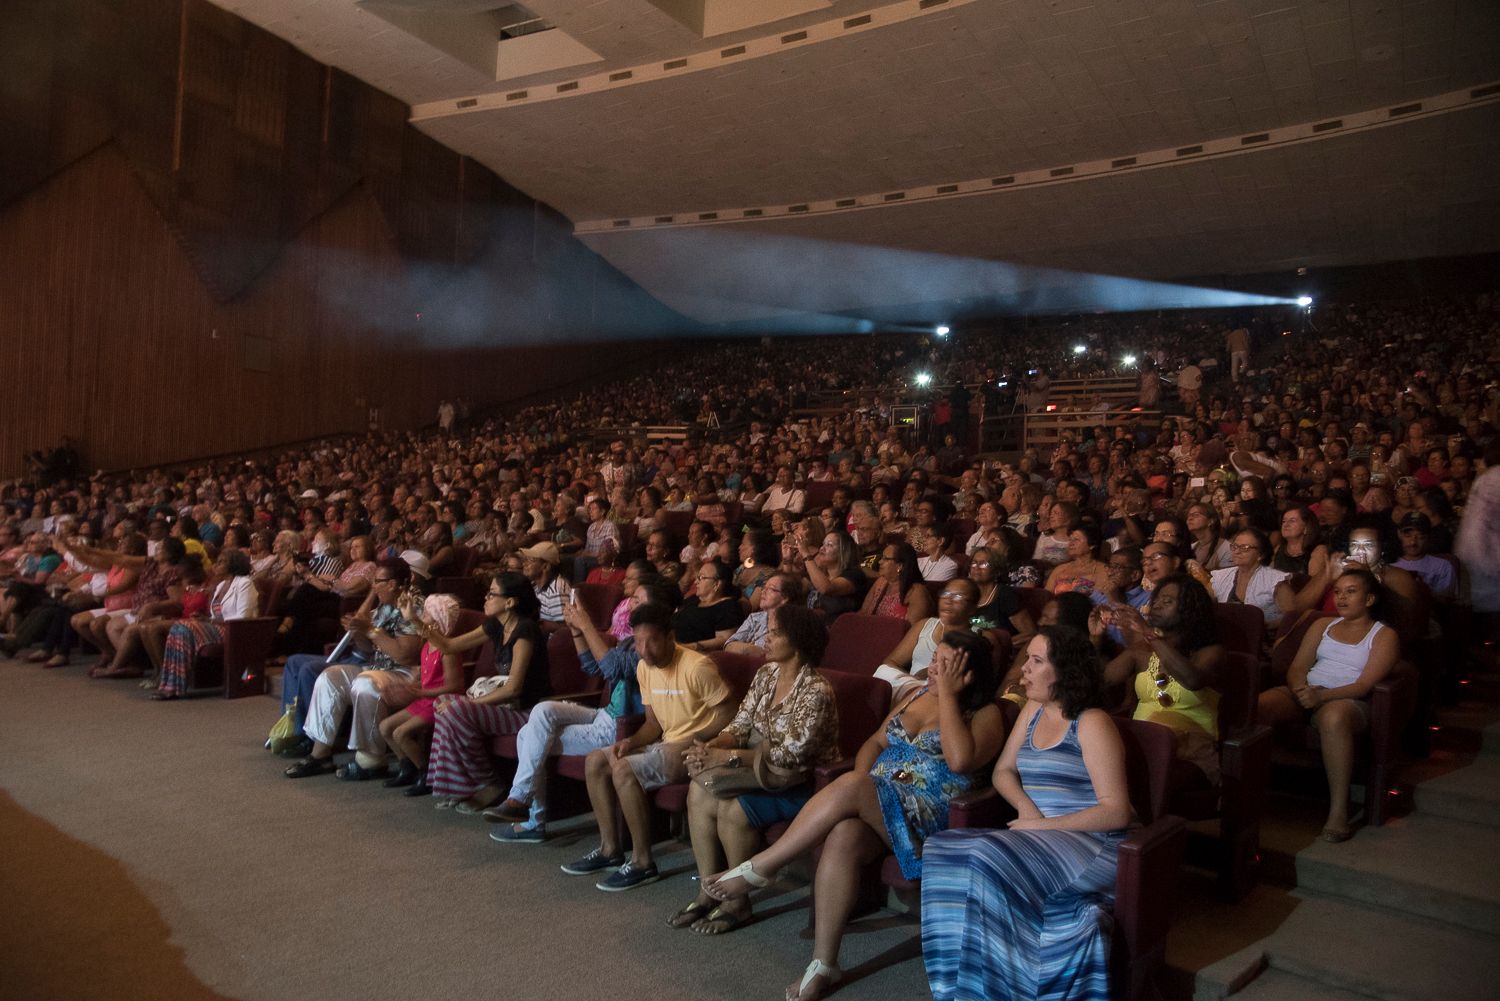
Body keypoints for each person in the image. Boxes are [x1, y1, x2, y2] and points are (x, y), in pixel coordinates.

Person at [703, 630, 1005, 1001]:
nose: (930, 668)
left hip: (929, 819)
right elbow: (875, 742)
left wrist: (951, 698)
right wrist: (868, 778)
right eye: (934, 659)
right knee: (844, 834)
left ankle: (761, 868)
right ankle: (824, 964)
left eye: (943, 664)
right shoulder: (915, 695)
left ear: (967, 673)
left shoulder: (985, 713)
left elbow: (960, 761)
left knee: (852, 786)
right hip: (881, 796)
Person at [921, 625, 1133, 1001]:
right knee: (943, 850)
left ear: (1066, 670)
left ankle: (996, 992)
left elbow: (1116, 812)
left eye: (1036, 661)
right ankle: (964, 985)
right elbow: (1003, 771)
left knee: (987, 854)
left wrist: (1043, 826)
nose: (1025, 669)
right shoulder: (1033, 709)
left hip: (1094, 845)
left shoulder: (1092, 722)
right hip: (1041, 836)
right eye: (1027, 659)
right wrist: (1028, 810)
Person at [670, 605, 840, 935]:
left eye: (775, 633)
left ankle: (738, 901)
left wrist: (730, 757)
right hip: (761, 773)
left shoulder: (816, 690)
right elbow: (741, 724)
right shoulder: (766, 675)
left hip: (801, 783)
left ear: (798, 640)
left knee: (735, 808)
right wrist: (713, 747)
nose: (766, 637)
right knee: (698, 788)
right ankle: (708, 889)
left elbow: (793, 755)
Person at [486, 576, 681, 841]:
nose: (629, 603)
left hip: (620, 725)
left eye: (638, 599)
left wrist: (587, 624)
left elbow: (613, 667)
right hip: (602, 715)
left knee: (525, 736)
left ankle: (531, 817)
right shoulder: (628, 641)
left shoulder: (651, 647)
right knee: (542, 711)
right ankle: (521, 801)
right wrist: (576, 631)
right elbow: (593, 667)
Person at [559, 601, 734, 892]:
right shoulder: (644, 668)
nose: (644, 650)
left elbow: (730, 711)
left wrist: (699, 737)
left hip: (693, 748)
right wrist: (631, 741)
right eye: (638, 642)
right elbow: (653, 724)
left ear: (669, 637)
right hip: (666, 742)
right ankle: (609, 849)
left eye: (652, 641)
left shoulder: (697, 666)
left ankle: (642, 862)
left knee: (625, 771)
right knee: (596, 761)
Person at [1256, 569, 1400, 842]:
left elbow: (1364, 685)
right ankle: (1244, 794)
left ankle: (1338, 811)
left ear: (1369, 599)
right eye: (1337, 592)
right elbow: (1298, 667)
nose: (1342, 597)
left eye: (1351, 591)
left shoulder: (1383, 635)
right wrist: (1302, 690)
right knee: (1261, 705)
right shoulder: (1322, 625)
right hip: (1307, 690)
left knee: (1333, 719)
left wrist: (1322, 697)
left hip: (1348, 698)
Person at [421, 572, 552, 810]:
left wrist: (470, 705)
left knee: (456, 709)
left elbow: (514, 688)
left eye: (492, 593)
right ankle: (460, 787)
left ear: (510, 602)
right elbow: (449, 646)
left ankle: (490, 783)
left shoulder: (526, 630)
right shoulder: (496, 625)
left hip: (526, 712)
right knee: (443, 702)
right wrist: (416, 621)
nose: (486, 597)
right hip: (504, 708)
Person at [283, 560, 422, 778]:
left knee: (365, 684)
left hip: (407, 673)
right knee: (330, 677)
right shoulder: (384, 607)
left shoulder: (413, 605)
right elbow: (367, 648)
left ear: (393, 584)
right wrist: (358, 631)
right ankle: (320, 755)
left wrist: (372, 630)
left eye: (378, 582)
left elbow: (406, 655)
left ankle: (371, 761)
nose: (373, 586)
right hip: (379, 668)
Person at [1106, 573, 1225, 784]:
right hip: (1141, 745)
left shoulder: (1210, 652)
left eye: (1167, 601)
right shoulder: (1140, 651)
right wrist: (1095, 639)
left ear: (1190, 609)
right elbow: (1099, 682)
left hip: (1189, 751)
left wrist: (1147, 632)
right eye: (1157, 599)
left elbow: (1192, 680)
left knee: (1138, 773)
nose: (1157, 605)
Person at [375, 593, 465, 793]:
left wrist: (420, 692)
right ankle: (408, 768)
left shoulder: (447, 650)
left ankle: (426, 774)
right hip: (425, 699)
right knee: (385, 727)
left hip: (439, 702)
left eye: (426, 614)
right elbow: (425, 676)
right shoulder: (427, 645)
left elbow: (455, 686)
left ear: (438, 619)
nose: (422, 617)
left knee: (401, 733)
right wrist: (411, 687)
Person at [150, 550, 259, 700]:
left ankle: (175, 686)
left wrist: (212, 621)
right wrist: (204, 619)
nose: (216, 565)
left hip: (235, 630)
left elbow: (243, 617)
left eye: (221, 562)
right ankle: (169, 684)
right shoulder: (221, 586)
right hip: (219, 627)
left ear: (233, 565)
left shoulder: (245, 583)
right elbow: (215, 615)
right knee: (177, 627)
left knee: (182, 628)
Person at [874, 579, 980, 701]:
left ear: (973, 608)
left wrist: (929, 676)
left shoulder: (979, 637)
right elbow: (891, 662)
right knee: (883, 670)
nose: (948, 601)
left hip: (945, 693)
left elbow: (976, 683)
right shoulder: (924, 625)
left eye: (958, 596)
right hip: (912, 683)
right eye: (945, 594)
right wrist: (912, 680)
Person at [1209, 527, 1292, 628]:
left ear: (1260, 554)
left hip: (1263, 638)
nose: (1237, 551)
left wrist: (1264, 626)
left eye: (1245, 548)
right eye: (1235, 547)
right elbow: (1203, 602)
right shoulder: (1221, 576)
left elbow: (1292, 617)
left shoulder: (1275, 580)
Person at [675, 558, 745, 652]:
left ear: (717, 584)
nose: (696, 582)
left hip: (693, 653)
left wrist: (690, 647)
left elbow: (724, 639)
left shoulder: (728, 607)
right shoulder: (694, 599)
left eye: (701, 578)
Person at [724, 572, 801, 657]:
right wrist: (747, 648)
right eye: (764, 588)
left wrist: (760, 653)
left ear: (785, 598)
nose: (763, 592)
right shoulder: (754, 618)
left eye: (771, 589)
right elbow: (728, 645)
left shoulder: (794, 623)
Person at [860, 541, 932, 624]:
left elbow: (913, 630)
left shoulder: (916, 592)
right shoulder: (880, 582)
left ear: (900, 566)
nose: (880, 562)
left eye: (885, 559)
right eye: (881, 558)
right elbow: (863, 613)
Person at [1043, 523, 1112, 595]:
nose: (1071, 543)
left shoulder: (1103, 570)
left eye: (1076, 540)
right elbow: (1046, 596)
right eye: (1070, 539)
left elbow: (1101, 599)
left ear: (1092, 545)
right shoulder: (1060, 569)